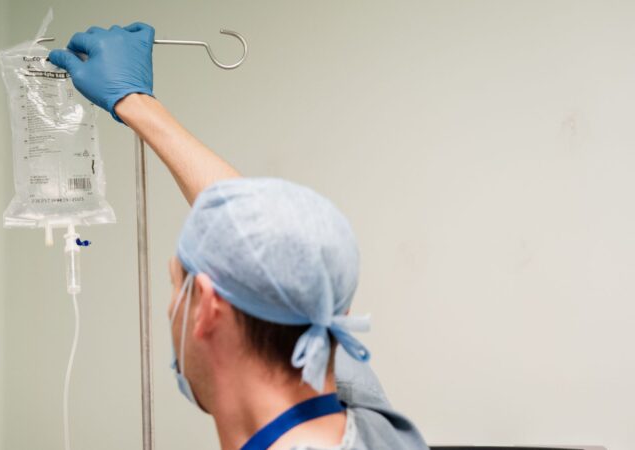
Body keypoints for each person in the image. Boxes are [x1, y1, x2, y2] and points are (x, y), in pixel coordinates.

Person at [49, 23, 429, 450]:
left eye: (176, 284)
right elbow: (265, 239)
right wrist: (136, 104)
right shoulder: (371, 426)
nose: (171, 305)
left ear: (208, 306)